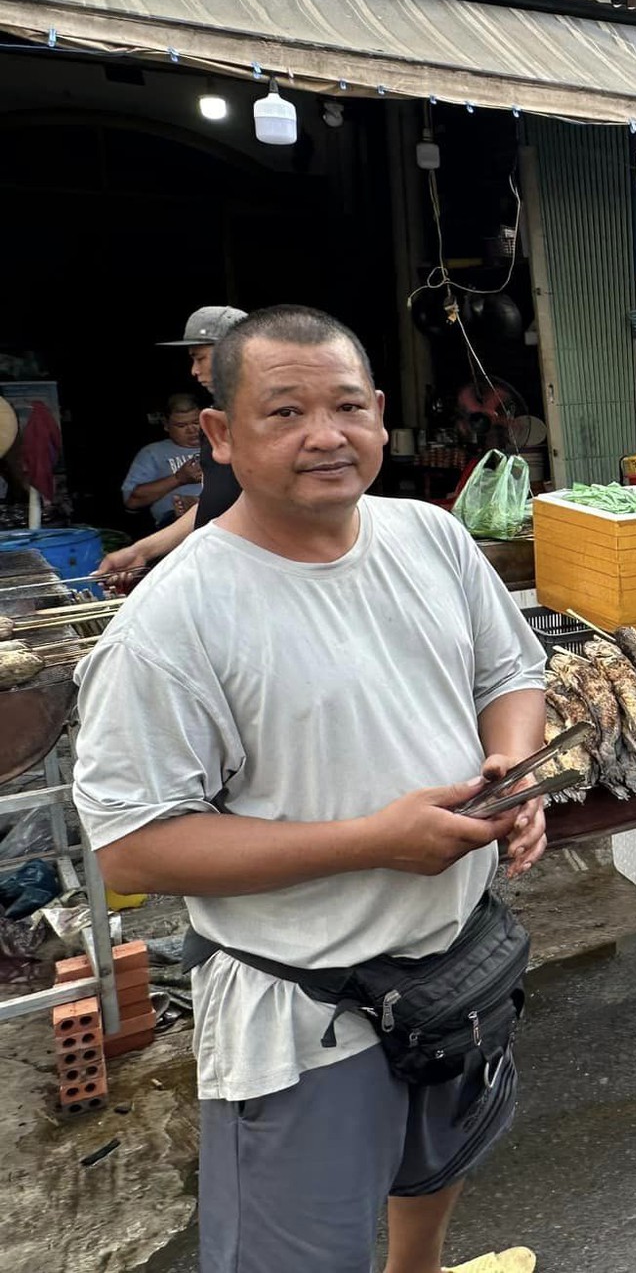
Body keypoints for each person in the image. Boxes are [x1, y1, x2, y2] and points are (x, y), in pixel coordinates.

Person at [71, 306, 545, 1273]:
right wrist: (374, 840)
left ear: (378, 415)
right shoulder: (174, 622)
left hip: (455, 968)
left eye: (346, 407)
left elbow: (511, 675)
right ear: (220, 434)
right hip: (307, 1017)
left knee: (434, 1171)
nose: (325, 436)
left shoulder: (430, 539)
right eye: (284, 412)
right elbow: (132, 845)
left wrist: (508, 771)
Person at [98, 305, 250, 585]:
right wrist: (140, 550)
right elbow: (214, 507)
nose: (194, 370)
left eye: (199, 357)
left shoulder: (266, 419)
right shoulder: (219, 416)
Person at [120, 393, 205, 526]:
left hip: (225, 514)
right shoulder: (153, 452)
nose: (192, 430)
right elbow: (132, 501)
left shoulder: (220, 444)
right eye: (181, 426)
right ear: (166, 425)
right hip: (174, 522)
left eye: (196, 422)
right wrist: (178, 479)